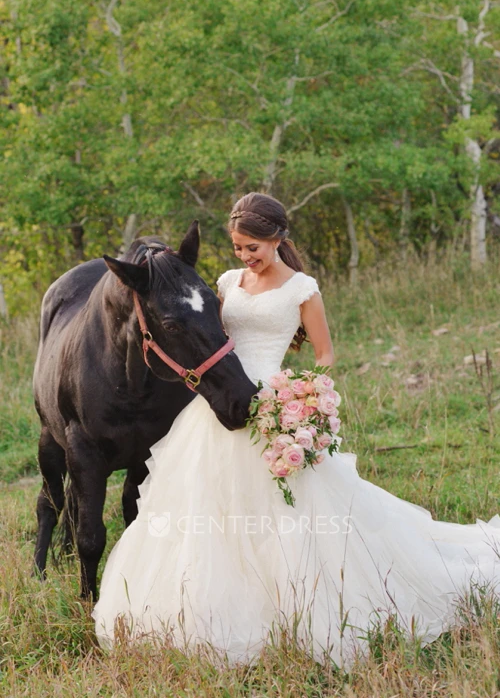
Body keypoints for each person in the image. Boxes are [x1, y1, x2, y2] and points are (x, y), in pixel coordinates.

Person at [93, 192, 500, 669]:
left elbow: (325, 354)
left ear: (278, 240)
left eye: (253, 248)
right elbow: (203, 333)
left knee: (293, 515)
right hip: (223, 404)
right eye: (238, 247)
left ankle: (296, 606)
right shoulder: (227, 282)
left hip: (276, 404)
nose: (245, 257)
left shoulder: (301, 289)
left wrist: (302, 396)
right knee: (206, 508)